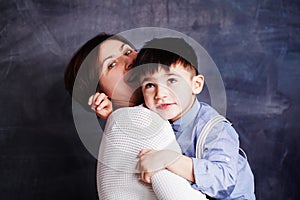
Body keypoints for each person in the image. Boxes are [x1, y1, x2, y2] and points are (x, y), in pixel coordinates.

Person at [64, 33, 207, 199]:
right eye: (111, 65)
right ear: (100, 94)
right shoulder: (142, 120)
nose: (129, 61)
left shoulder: (123, 125)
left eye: (127, 52)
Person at [127, 37, 256, 200]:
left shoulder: (215, 129)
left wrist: (167, 159)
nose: (160, 94)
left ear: (196, 84)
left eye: (172, 80)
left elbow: (224, 182)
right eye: (150, 85)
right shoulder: (154, 117)